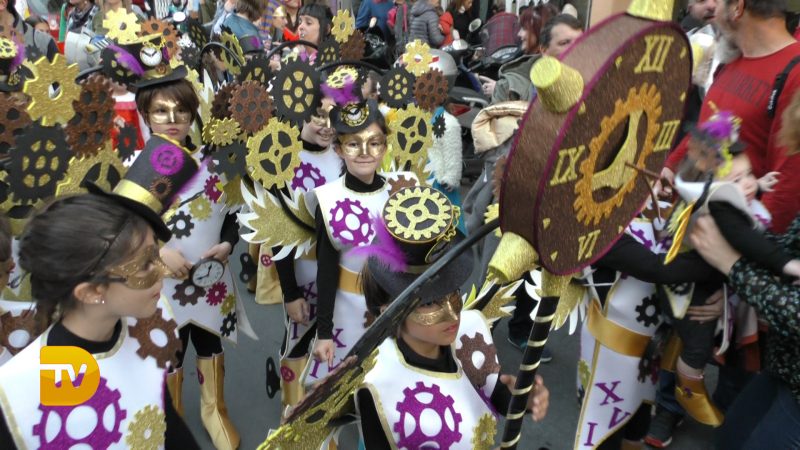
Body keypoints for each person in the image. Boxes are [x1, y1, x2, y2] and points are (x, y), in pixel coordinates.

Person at [0, 116, 202, 448]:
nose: (162, 272)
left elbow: (165, 423)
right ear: (92, 291)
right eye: (145, 264)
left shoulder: (147, 331)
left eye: (157, 255)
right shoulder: (19, 397)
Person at [354, 185, 550, 448]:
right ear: (389, 311)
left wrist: (523, 397)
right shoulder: (378, 385)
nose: (452, 312)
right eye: (430, 303)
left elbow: (496, 396)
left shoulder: (469, 333)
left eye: (453, 292)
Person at [135, 74, 244, 450]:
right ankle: (171, 418)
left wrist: (228, 244)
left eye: (181, 110)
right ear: (146, 115)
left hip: (211, 280)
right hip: (160, 284)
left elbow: (233, 213)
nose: (172, 119)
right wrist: (157, 251)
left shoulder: (214, 163)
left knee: (211, 344)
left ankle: (215, 410)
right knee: (170, 351)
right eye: (160, 111)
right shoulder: (136, 167)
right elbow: (124, 227)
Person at [304, 93, 417, 387]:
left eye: (374, 142)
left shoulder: (404, 191)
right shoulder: (328, 199)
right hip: (346, 314)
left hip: (396, 310)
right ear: (338, 149)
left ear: (385, 146)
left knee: (389, 388)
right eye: (354, 144)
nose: (365, 152)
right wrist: (324, 333)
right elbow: (326, 270)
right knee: (342, 389)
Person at [660, 0, 800, 234]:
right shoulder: (732, 59)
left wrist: (744, 252)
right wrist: (670, 169)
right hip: (693, 227)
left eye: (719, 1)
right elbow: (708, 128)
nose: (713, 8)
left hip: (733, 240)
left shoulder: (795, 72)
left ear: (738, 8)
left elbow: (787, 184)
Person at [690, 213, 800, 449]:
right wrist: (737, 225)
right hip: (785, 365)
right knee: (730, 437)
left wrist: (733, 266)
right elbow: (790, 249)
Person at [480, 3, 558, 103]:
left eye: (524, 29)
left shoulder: (545, 67)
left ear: (539, 31)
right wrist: (501, 87)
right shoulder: (531, 60)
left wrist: (501, 89)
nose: (519, 34)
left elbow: (532, 103)